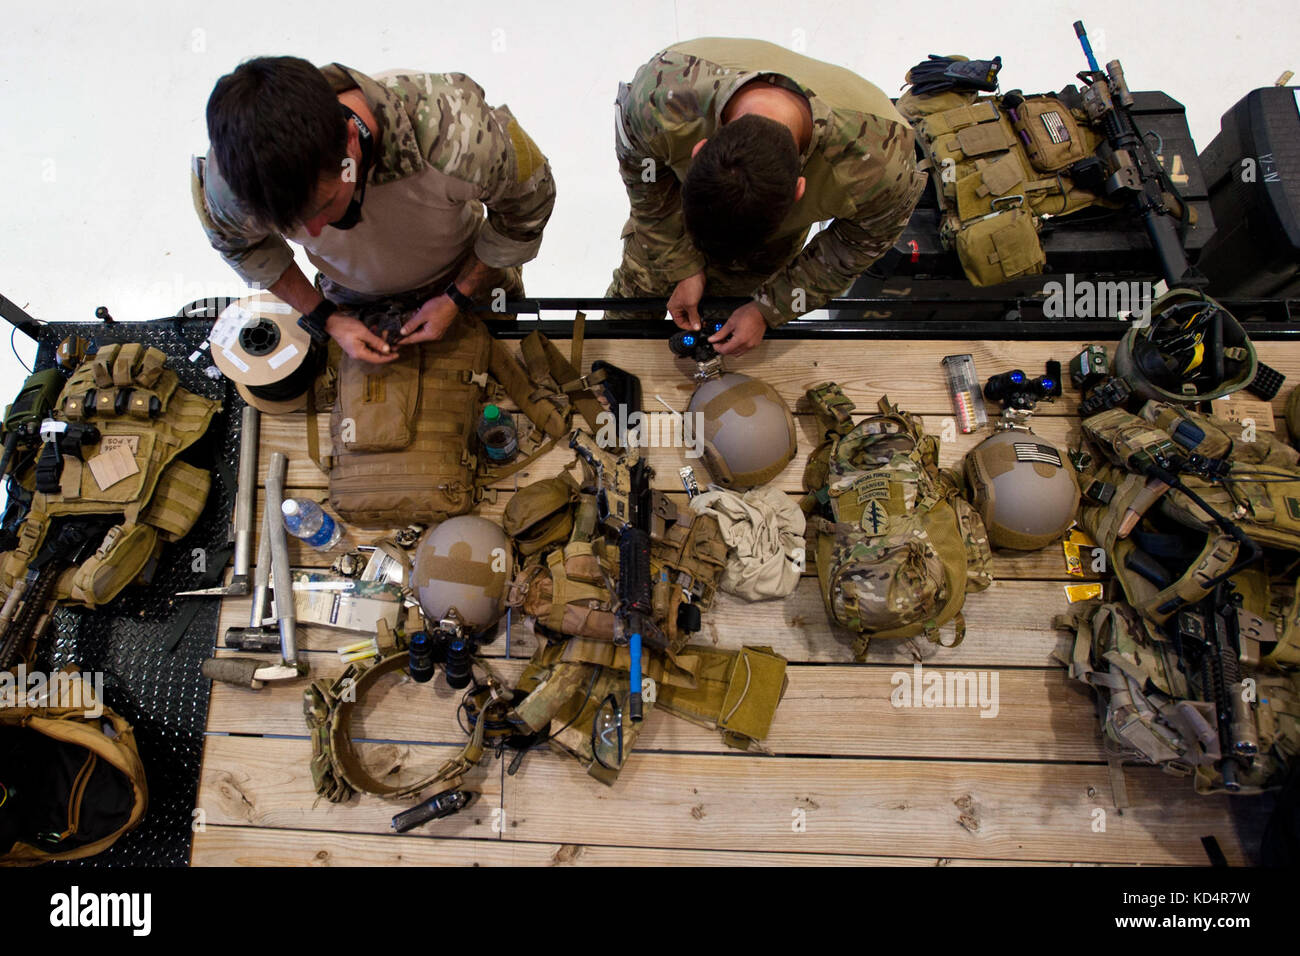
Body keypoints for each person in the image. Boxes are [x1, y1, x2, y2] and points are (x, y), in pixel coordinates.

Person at [193, 56, 555, 363]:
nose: (315, 233)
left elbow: (527, 209)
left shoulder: (457, 135)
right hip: (349, 295)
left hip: (466, 275)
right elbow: (240, 245)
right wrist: (326, 317)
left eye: (325, 206)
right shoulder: (234, 184)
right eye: (292, 225)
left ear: (351, 140)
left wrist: (456, 296)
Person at [606, 37, 927, 356]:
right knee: (638, 289)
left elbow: (853, 248)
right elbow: (645, 178)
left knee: (731, 313)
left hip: (762, 250)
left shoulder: (883, 165)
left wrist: (767, 309)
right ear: (700, 149)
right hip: (674, 212)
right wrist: (682, 266)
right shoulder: (661, 98)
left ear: (800, 188)